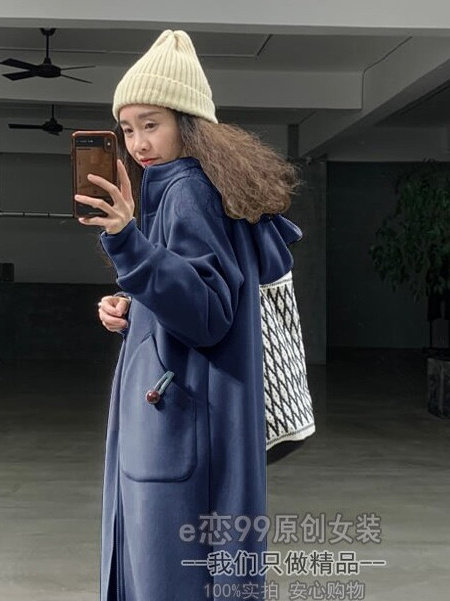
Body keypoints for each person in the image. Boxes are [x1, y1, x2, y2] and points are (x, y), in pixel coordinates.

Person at [76, 29, 303, 601]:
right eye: (128, 129)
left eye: (151, 124)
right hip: (188, 416)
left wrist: (125, 241)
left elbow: (207, 314)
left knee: (170, 577)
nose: (139, 142)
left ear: (188, 123)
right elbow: (194, 289)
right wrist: (136, 307)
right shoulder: (187, 186)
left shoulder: (187, 191)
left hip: (182, 427)